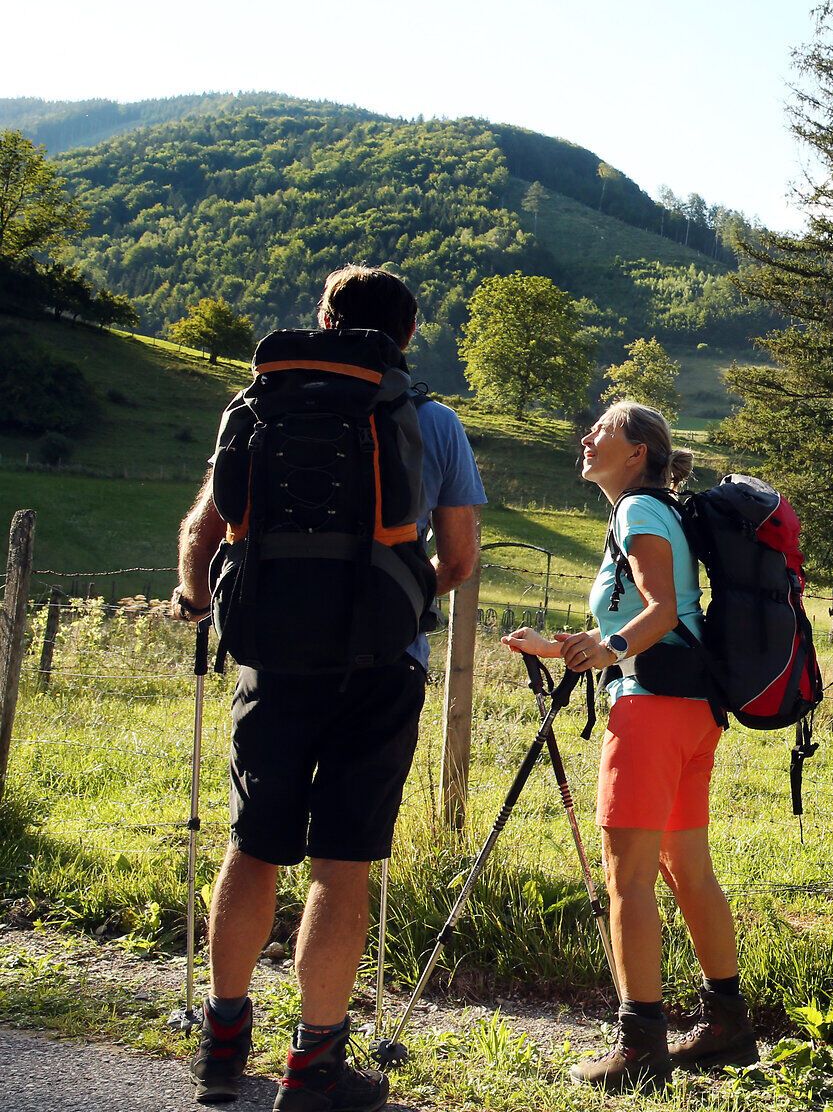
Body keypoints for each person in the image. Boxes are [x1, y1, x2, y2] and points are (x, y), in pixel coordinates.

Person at [170, 266, 485, 1112]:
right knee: (341, 863)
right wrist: (398, 596)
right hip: (380, 666)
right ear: (406, 339)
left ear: (324, 320)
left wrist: (196, 601)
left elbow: (203, 531)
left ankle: (221, 1044)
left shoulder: (256, 406)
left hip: (270, 659)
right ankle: (313, 1067)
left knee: (253, 843)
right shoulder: (430, 420)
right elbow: (458, 562)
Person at [502, 401, 756, 1091]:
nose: (586, 437)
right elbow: (650, 630)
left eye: (603, 431)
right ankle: (728, 1024)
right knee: (685, 870)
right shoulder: (651, 512)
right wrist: (558, 647)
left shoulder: (640, 512)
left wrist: (607, 644)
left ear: (637, 451)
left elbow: (659, 614)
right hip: (689, 710)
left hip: (650, 716)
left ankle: (640, 1046)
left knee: (628, 879)